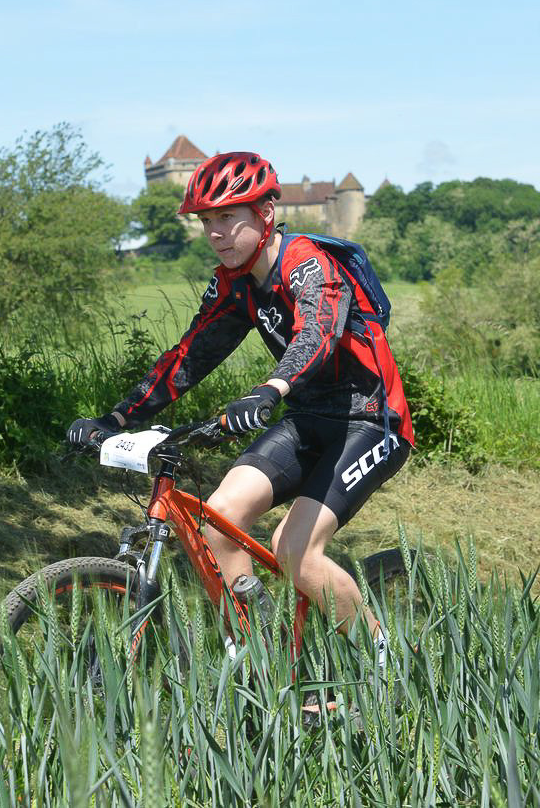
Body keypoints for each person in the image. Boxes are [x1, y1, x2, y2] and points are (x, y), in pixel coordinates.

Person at [69, 151, 414, 664]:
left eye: (228, 217)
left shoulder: (309, 265)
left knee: (294, 550)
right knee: (218, 523)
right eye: (207, 221)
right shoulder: (234, 283)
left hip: (371, 419)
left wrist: (270, 389)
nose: (215, 232)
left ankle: (387, 667)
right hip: (306, 417)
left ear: (265, 214)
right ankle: (264, 663)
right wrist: (116, 418)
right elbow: (189, 356)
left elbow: (317, 335)